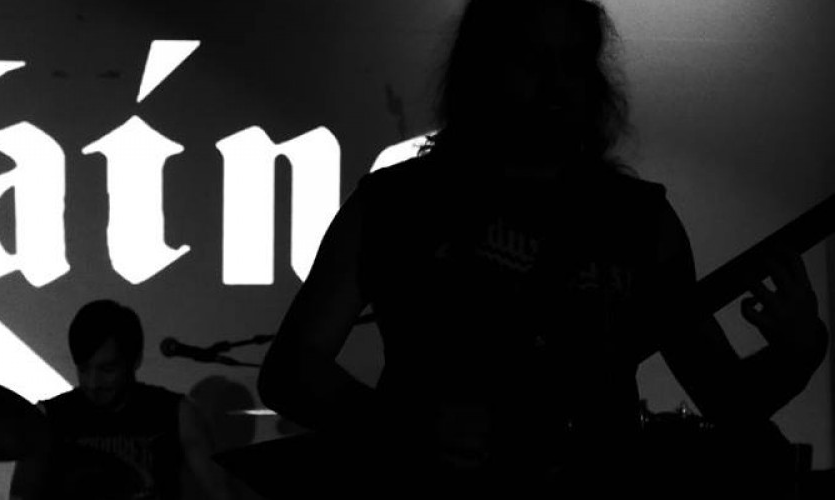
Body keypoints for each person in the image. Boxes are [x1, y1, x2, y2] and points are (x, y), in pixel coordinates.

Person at [257, 0, 828, 498]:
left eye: (574, 62)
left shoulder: (639, 219)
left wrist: (798, 352)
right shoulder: (396, 203)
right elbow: (289, 370)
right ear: (485, 69)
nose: (556, 84)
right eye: (531, 59)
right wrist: (406, 425)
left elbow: (726, 400)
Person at [10, 299, 231, 500]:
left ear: (135, 361)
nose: (93, 383)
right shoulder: (48, 418)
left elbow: (222, 494)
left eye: (107, 370)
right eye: (84, 369)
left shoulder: (176, 412)